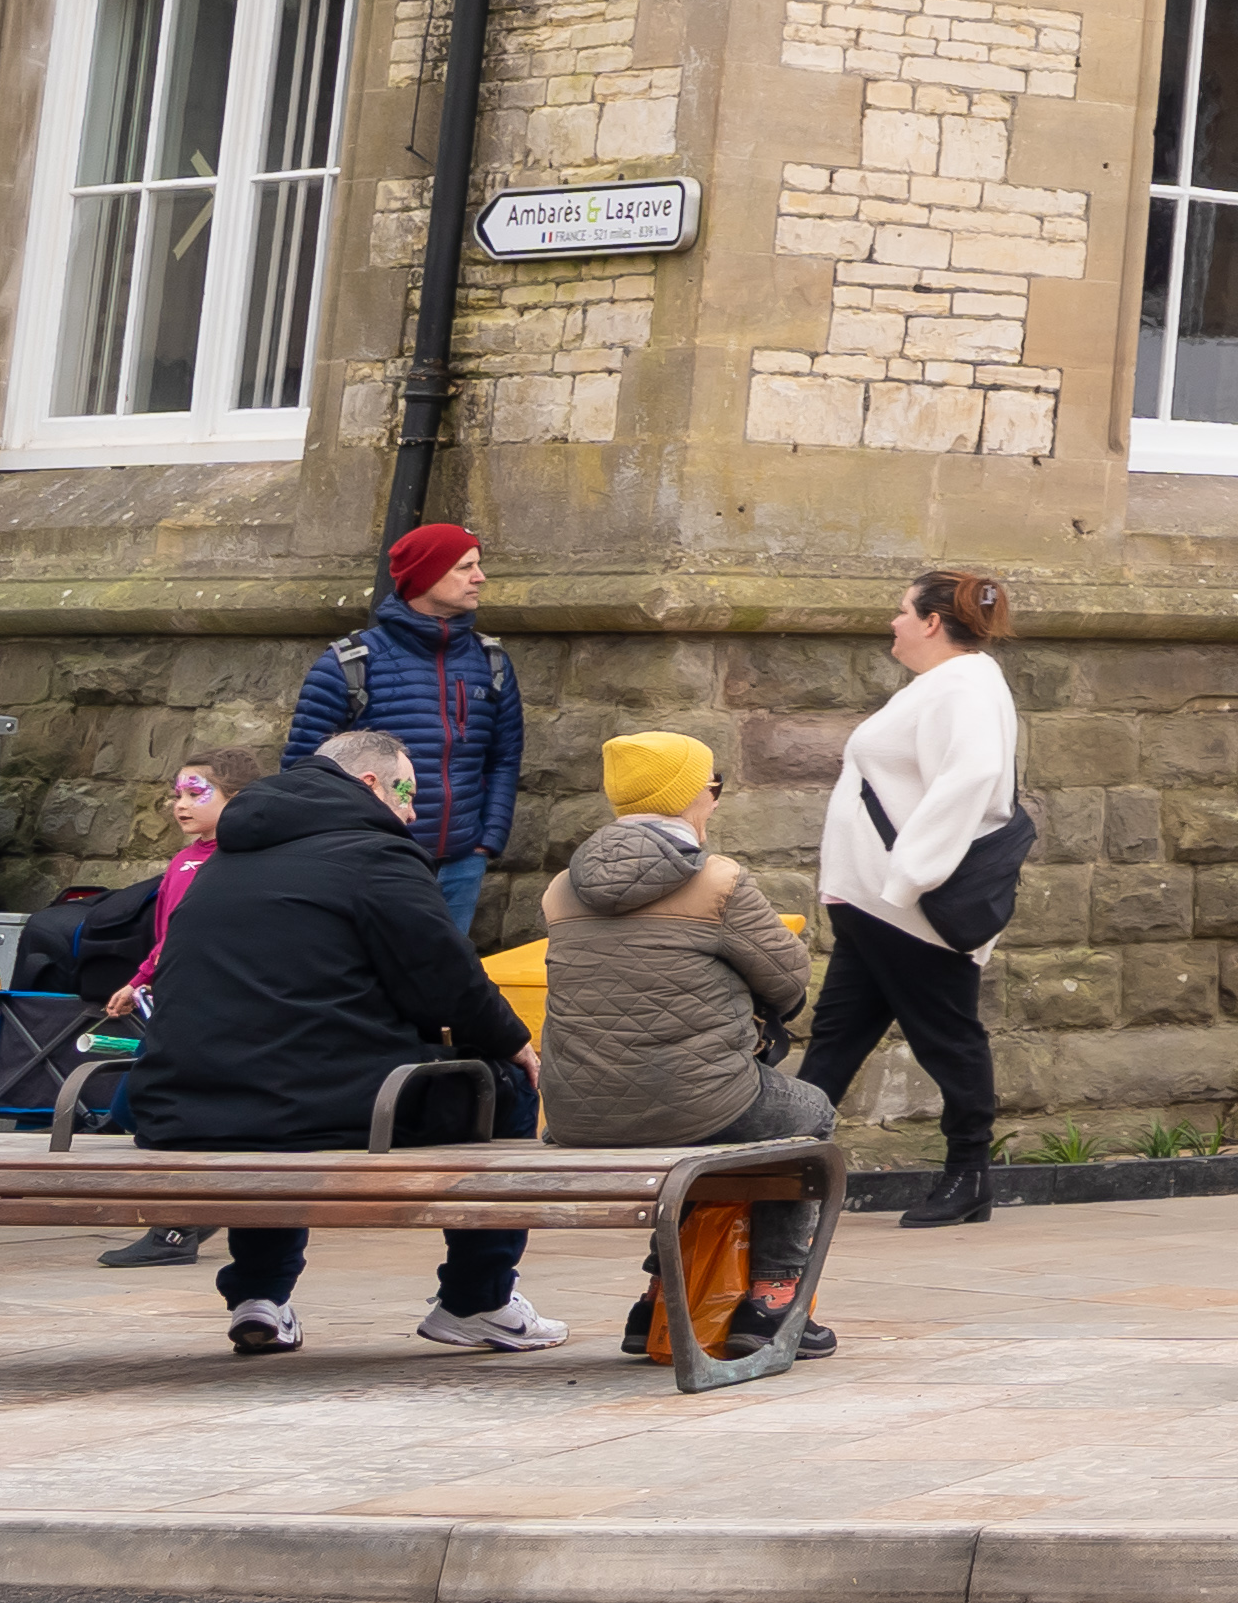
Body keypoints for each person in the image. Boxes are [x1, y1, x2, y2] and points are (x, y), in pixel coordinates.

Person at [142, 729, 550, 1359]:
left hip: (183, 1099)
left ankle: (260, 1296)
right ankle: (478, 1299)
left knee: (277, 1102)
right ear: (368, 785)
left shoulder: (231, 854)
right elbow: (445, 980)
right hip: (315, 1101)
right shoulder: (374, 854)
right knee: (502, 1088)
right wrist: (514, 1043)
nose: (413, 811)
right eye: (407, 792)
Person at [541, 746, 836, 1362]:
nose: (716, 798)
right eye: (715, 786)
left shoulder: (563, 889)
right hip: (695, 1101)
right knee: (806, 1111)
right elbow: (788, 982)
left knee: (692, 1120)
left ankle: (657, 1299)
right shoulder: (718, 881)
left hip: (576, 1113)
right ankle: (774, 1297)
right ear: (689, 796)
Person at [808, 565, 1029, 1226]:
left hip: (906, 911)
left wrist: (907, 877)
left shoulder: (960, 686)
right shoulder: (946, 684)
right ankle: (787, 1166)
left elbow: (974, 780)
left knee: (947, 1039)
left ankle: (969, 1177)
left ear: (933, 621)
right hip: (876, 907)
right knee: (835, 1037)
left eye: (902, 611)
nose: (894, 623)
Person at [21, 765, 233, 1265]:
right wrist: (139, 980)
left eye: (196, 793)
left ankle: (181, 1222)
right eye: (176, 793)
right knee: (135, 1108)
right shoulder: (183, 861)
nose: (181, 804)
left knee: (148, 1108)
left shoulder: (238, 864)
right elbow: (167, 938)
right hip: (173, 1005)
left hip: (212, 1009)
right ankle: (183, 1217)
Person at [289, 522, 530, 959]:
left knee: (442, 986)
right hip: (372, 863)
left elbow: (504, 758)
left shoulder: (490, 660)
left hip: (461, 863)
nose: (480, 577)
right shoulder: (348, 664)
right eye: (465, 567)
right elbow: (302, 771)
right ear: (426, 577)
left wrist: (486, 840)